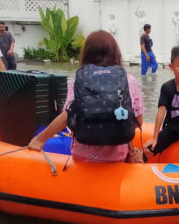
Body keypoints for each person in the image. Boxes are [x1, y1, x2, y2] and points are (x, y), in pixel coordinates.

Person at [29, 30, 144, 163]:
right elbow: (138, 121)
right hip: (116, 158)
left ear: (87, 54)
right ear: (115, 53)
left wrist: (40, 139)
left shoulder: (78, 80)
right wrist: (112, 130)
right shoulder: (129, 80)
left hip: (82, 157)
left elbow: (68, 116)